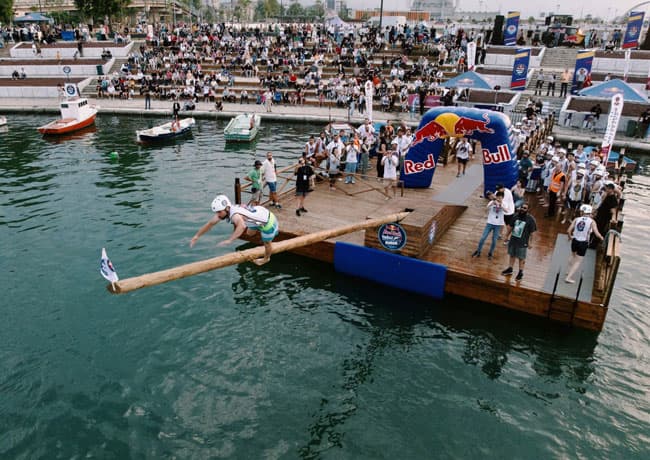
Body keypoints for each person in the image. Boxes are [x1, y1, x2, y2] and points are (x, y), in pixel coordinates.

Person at [190, 195, 279, 266]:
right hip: (258, 215)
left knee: (267, 243)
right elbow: (210, 224)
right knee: (250, 234)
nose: (218, 215)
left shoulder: (234, 215)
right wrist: (196, 236)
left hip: (267, 222)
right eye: (217, 212)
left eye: (219, 212)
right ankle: (260, 231)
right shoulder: (226, 211)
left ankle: (266, 258)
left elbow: (242, 226)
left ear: (227, 208)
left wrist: (229, 240)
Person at [564, 204, 603, 283]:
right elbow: (596, 233)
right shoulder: (592, 222)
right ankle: (568, 278)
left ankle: (568, 270)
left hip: (575, 240)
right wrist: (602, 238)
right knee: (578, 261)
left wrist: (570, 237)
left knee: (572, 255)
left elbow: (568, 230)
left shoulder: (576, 219)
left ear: (583, 212)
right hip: (583, 243)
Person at [501, 203, 536, 281]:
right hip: (513, 240)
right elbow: (510, 227)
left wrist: (530, 242)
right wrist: (506, 236)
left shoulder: (530, 219)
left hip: (523, 241)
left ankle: (520, 272)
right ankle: (510, 268)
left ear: (528, 210)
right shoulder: (515, 216)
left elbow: (532, 233)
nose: (522, 209)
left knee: (521, 258)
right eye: (522, 207)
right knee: (512, 255)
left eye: (525, 208)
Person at [472, 190, 505, 260]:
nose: (499, 198)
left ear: (503, 198)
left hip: (498, 225)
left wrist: (500, 205)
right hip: (490, 223)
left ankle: (490, 253)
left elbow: (507, 210)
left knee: (494, 240)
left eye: (500, 197)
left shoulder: (504, 204)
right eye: (498, 197)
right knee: (483, 238)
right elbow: (486, 208)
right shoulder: (492, 202)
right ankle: (478, 251)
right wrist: (493, 202)